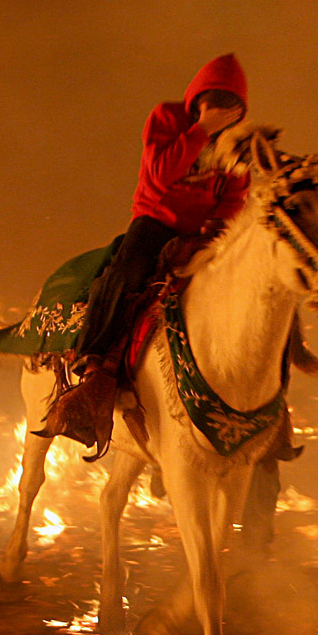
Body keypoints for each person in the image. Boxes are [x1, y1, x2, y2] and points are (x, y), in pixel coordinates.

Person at [38, 53, 253, 449]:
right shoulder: (168, 119)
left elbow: (236, 193)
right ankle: (95, 365)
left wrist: (216, 230)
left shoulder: (239, 143)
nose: (221, 110)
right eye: (213, 100)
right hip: (156, 220)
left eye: (230, 104)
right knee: (125, 274)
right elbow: (161, 172)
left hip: (204, 232)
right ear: (197, 99)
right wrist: (202, 129)